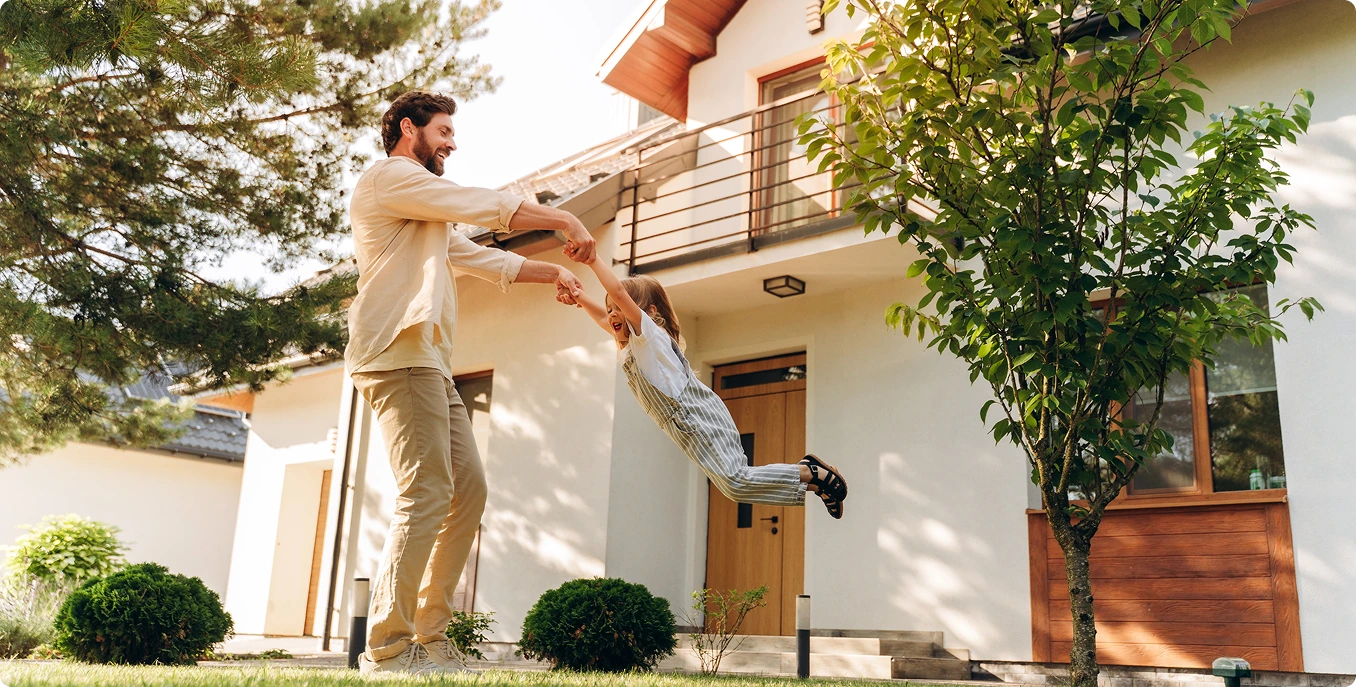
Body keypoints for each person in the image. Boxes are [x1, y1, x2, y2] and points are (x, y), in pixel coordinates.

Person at [346, 91, 596, 675]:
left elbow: (475, 254)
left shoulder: (423, 211)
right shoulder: (390, 178)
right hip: (395, 354)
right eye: (444, 131)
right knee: (427, 491)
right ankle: (387, 648)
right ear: (409, 129)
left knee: (467, 491)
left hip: (428, 361)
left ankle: (431, 638)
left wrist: (551, 271)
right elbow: (477, 204)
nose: (452, 143)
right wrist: (560, 216)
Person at [563, 250, 849, 519]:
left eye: (619, 309)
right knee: (733, 487)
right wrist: (579, 297)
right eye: (610, 309)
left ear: (648, 312)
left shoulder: (649, 337)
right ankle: (817, 483)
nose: (612, 314)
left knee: (736, 481)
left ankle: (811, 472)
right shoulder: (631, 349)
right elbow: (604, 316)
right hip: (686, 429)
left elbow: (619, 292)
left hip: (698, 417)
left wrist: (592, 260)